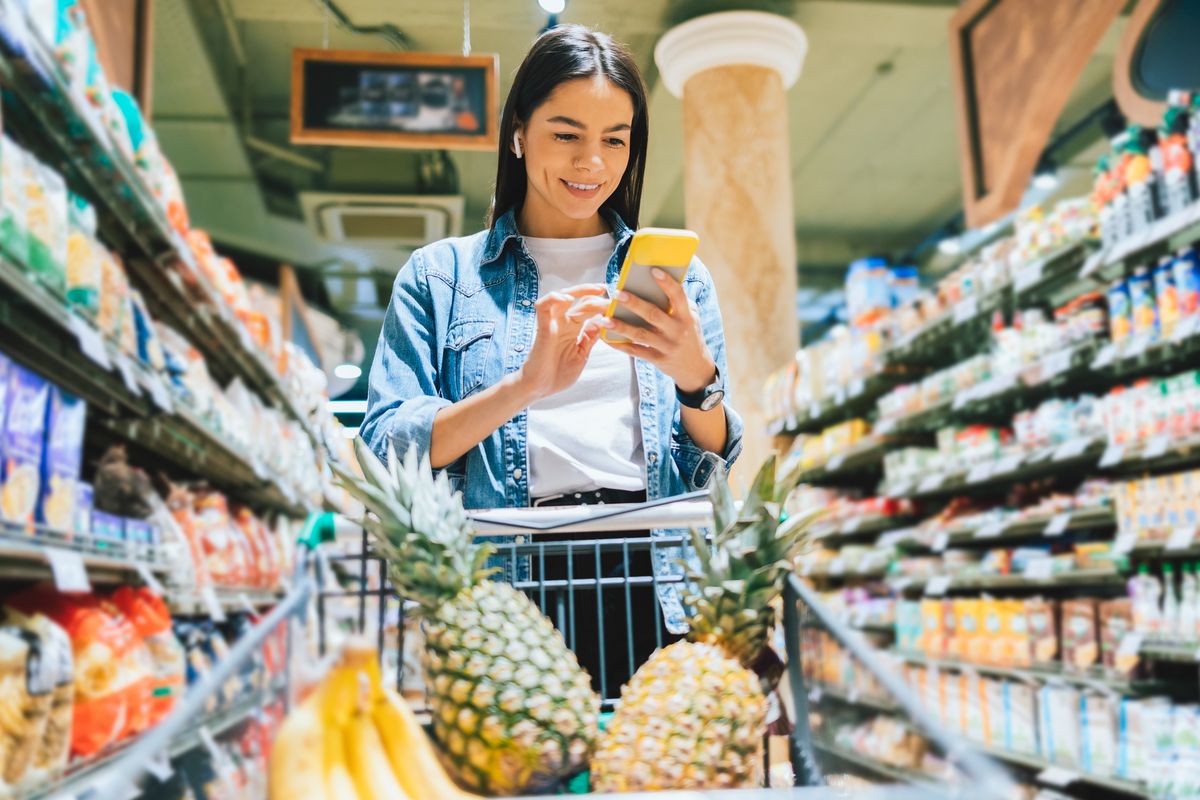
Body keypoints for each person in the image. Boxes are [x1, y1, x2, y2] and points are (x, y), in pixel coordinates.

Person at [361, 23, 743, 698]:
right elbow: (387, 444)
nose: (591, 162)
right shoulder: (441, 277)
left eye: (614, 139)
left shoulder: (678, 281)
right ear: (518, 132)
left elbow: (711, 458)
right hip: (501, 581)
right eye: (566, 134)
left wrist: (696, 380)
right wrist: (524, 386)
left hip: (649, 576)